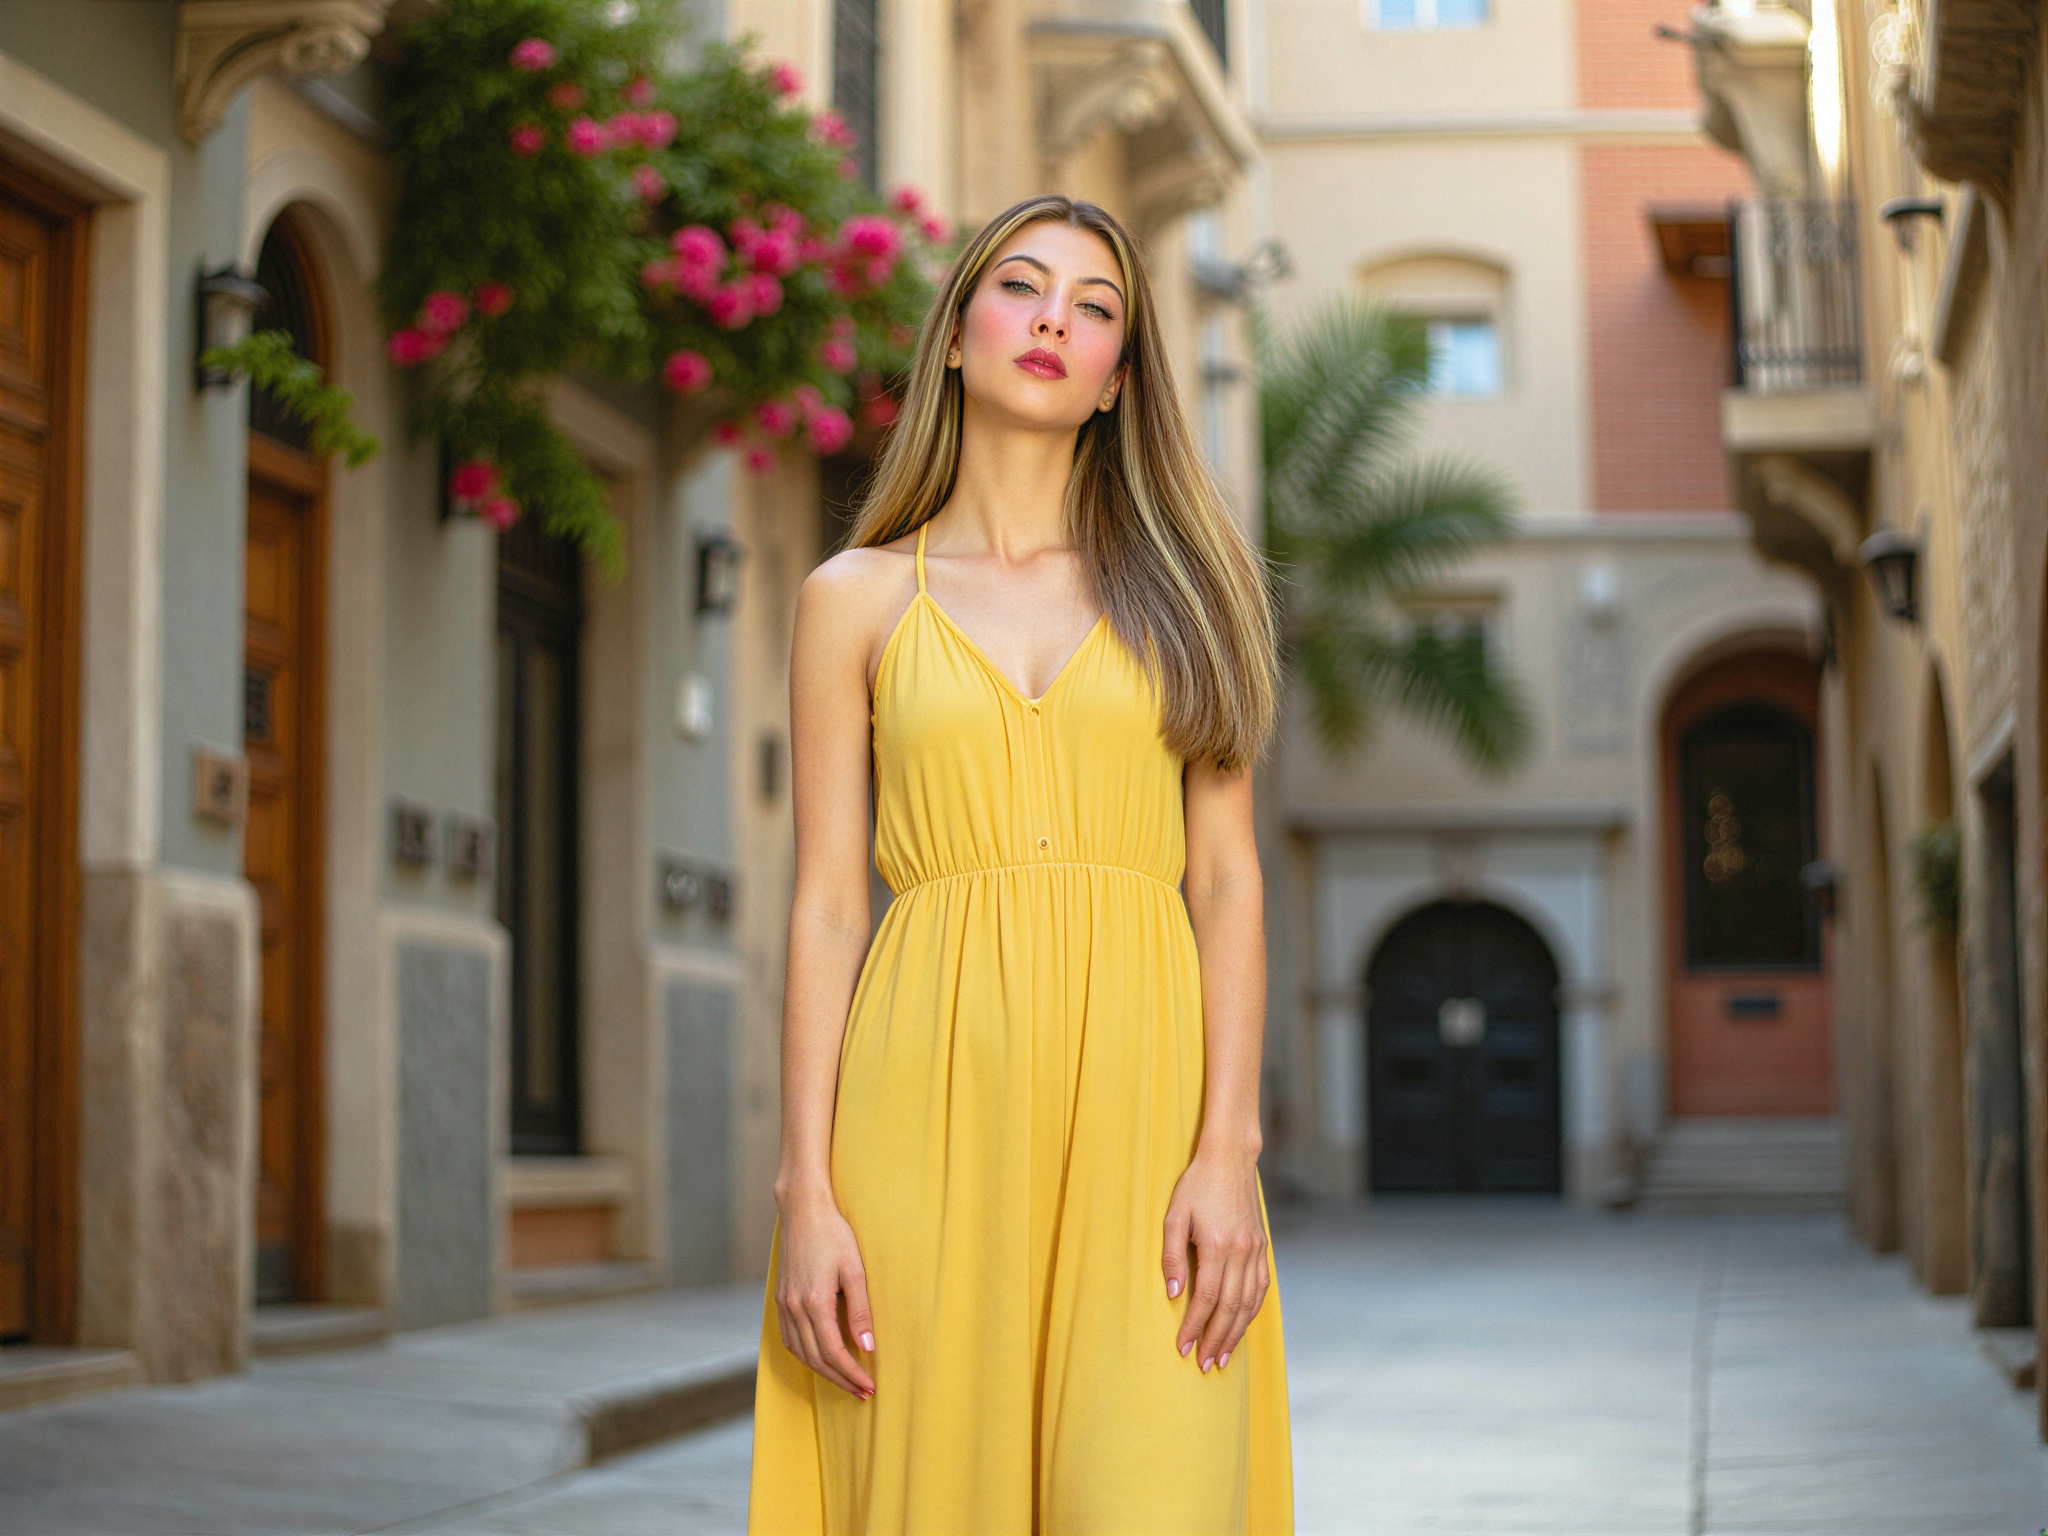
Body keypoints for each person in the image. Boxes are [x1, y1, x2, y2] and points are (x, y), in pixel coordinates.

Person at [746, 192, 1293, 1536]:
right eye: (1023, 286)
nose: (1057, 318)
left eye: (1097, 307)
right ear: (952, 338)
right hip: (920, 1112)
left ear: (1116, 383)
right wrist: (806, 1191)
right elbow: (824, 904)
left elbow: (1225, 881)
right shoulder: (852, 598)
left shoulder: (1191, 586)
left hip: (1148, 1120)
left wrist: (1229, 1150)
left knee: (1152, 1493)